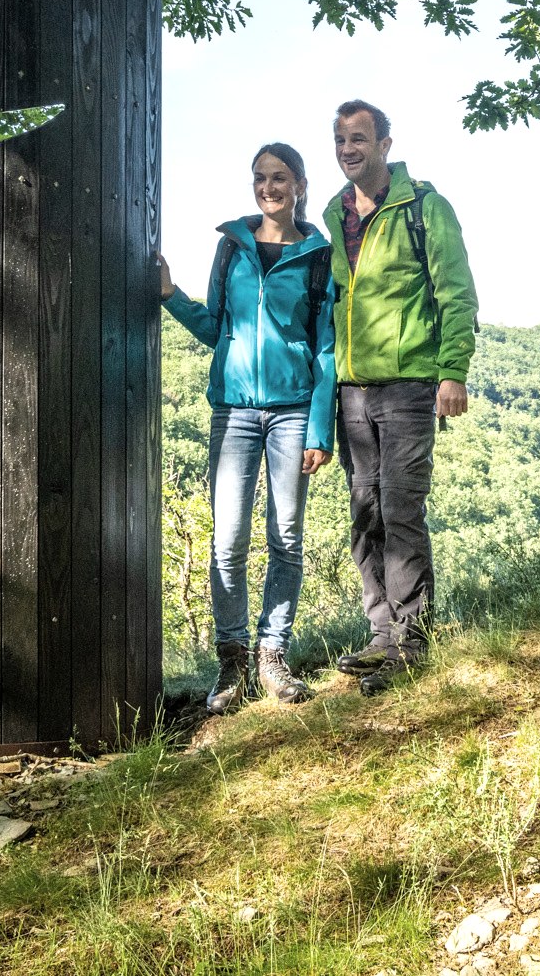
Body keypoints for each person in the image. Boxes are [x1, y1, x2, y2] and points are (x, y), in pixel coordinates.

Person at [156, 143, 337, 713]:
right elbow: (216, 327)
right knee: (228, 540)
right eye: (260, 177)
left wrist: (320, 429)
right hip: (233, 412)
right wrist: (171, 298)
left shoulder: (318, 256)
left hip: (293, 412)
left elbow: (326, 347)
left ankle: (272, 656)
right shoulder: (231, 247)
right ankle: (232, 660)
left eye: (280, 177)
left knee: (286, 538)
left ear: (300, 184)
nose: (268, 187)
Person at [319, 99, 478, 693]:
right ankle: (382, 635)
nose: (348, 149)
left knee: (401, 509)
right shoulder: (335, 214)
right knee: (366, 514)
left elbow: (456, 293)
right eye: (341, 140)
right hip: (351, 391)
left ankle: (412, 641)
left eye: (359, 138)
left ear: (385, 144)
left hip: (410, 385)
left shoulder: (424, 208)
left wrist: (452, 372)